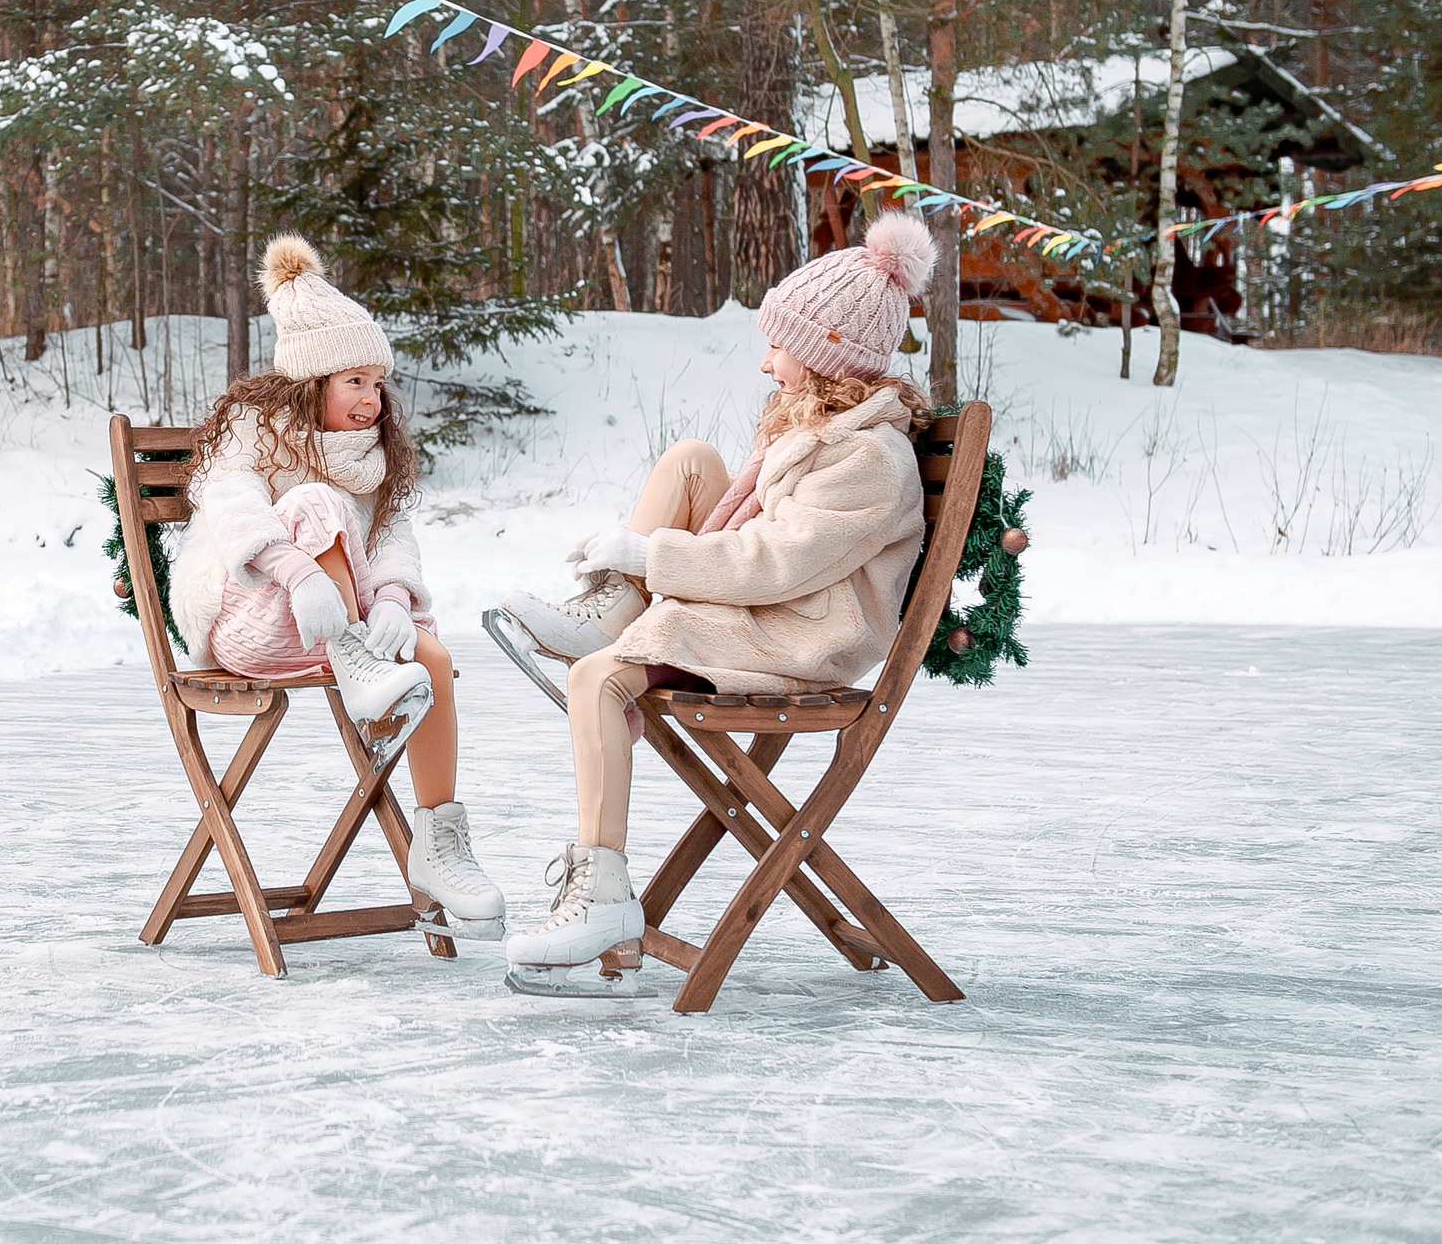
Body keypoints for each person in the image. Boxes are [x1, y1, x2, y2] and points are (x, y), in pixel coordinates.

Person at [498, 213, 940, 976]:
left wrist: (651, 554)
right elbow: (761, 538)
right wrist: (649, 563)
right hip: (778, 608)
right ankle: (613, 611)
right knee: (693, 459)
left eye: (780, 346)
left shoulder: (870, 458)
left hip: (801, 633)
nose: (766, 363)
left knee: (596, 680)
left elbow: (776, 562)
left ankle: (602, 896)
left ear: (827, 354)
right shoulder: (827, 430)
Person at [167, 235, 505, 938]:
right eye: (354, 381)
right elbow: (231, 504)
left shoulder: (372, 455)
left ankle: (438, 846)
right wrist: (295, 571)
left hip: (334, 628)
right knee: (317, 503)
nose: (371, 400)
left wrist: (391, 599)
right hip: (247, 618)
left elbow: (391, 537)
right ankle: (361, 662)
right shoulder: (252, 431)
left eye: (378, 383)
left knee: (432, 657)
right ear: (311, 380)